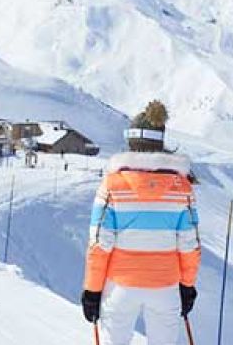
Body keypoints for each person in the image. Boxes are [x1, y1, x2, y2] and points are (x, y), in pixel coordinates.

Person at [80, 101, 200, 345]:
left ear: (131, 141)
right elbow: (190, 245)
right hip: (165, 286)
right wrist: (187, 286)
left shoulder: (112, 185)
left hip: (120, 287)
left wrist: (92, 290)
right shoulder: (182, 188)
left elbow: (99, 245)